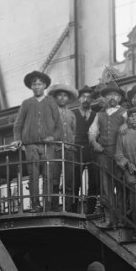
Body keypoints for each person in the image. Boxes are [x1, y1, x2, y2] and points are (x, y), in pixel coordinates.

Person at [12, 69, 63, 212]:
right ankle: (35, 204)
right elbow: (18, 124)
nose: (37, 86)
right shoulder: (26, 103)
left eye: (40, 84)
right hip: (31, 146)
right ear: (31, 86)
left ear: (45, 86)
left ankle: (47, 205)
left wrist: (53, 137)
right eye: (34, 84)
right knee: (33, 176)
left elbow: (59, 126)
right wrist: (17, 139)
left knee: (49, 176)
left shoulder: (52, 103)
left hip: (48, 146)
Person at [87, 83, 126, 228]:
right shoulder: (100, 114)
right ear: (105, 97)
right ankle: (110, 219)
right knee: (105, 186)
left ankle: (122, 220)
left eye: (115, 95)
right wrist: (94, 142)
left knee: (121, 186)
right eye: (109, 95)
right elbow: (92, 131)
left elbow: (134, 125)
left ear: (120, 97)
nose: (112, 97)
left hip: (119, 153)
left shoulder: (125, 112)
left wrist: (126, 125)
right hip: (103, 153)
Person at [48, 83, 79, 211]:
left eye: (65, 96)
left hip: (69, 151)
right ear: (55, 97)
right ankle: (54, 208)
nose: (62, 98)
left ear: (68, 98)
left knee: (69, 182)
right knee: (54, 181)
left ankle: (68, 208)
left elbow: (74, 132)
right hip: (55, 150)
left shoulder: (72, 114)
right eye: (59, 95)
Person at [72, 85, 98, 213]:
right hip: (77, 149)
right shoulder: (73, 115)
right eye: (83, 97)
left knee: (93, 180)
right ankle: (73, 209)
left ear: (92, 99)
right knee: (75, 179)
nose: (86, 99)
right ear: (79, 99)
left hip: (92, 149)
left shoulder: (96, 115)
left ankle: (90, 209)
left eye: (89, 97)